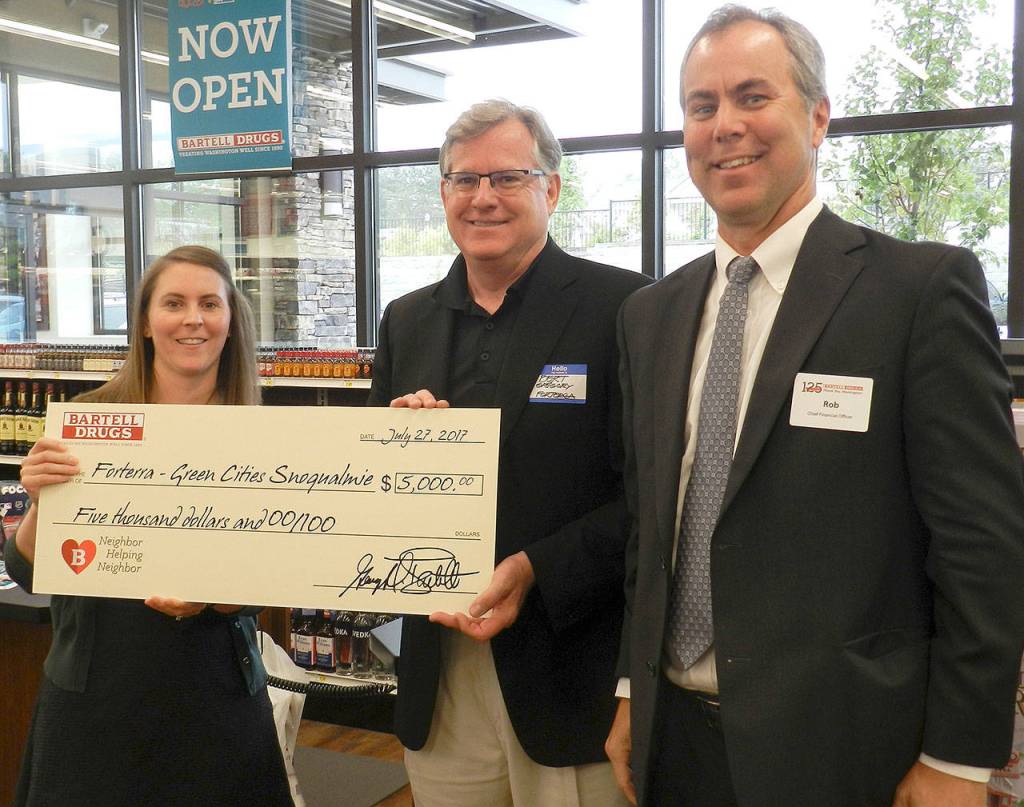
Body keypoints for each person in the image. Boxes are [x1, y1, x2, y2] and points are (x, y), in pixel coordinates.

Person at [605, 7, 1024, 807]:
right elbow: (648, 529)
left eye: (752, 96)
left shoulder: (919, 292)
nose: (725, 126)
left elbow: (983, 549)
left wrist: (960, 756)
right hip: (674, 744)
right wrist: (633, 686)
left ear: (818, 116)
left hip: (846, 748)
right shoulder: (650, 315)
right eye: (702, 106)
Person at [368, 99, 651, 807]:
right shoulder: (407, 320)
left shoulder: (626, 309)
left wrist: (533, 571)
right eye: (464, 180)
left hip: (569, 676)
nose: (483, 197)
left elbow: (653, 499)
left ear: (551, 188)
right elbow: (369, 492)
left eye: (507, 177)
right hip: (441, 677)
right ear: (442, 194)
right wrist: (399, 452)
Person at [4, 245, 293, 806]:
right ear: (144, 321)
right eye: (174, 303)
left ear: (231, 320)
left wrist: (221, 599)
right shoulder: (88, 421)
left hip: (218, 695)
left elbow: (279, 572)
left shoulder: (260, 435)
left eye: (210, 303)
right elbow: (29, 570)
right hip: (96, 703)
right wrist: (42, 502)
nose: (193, 319)